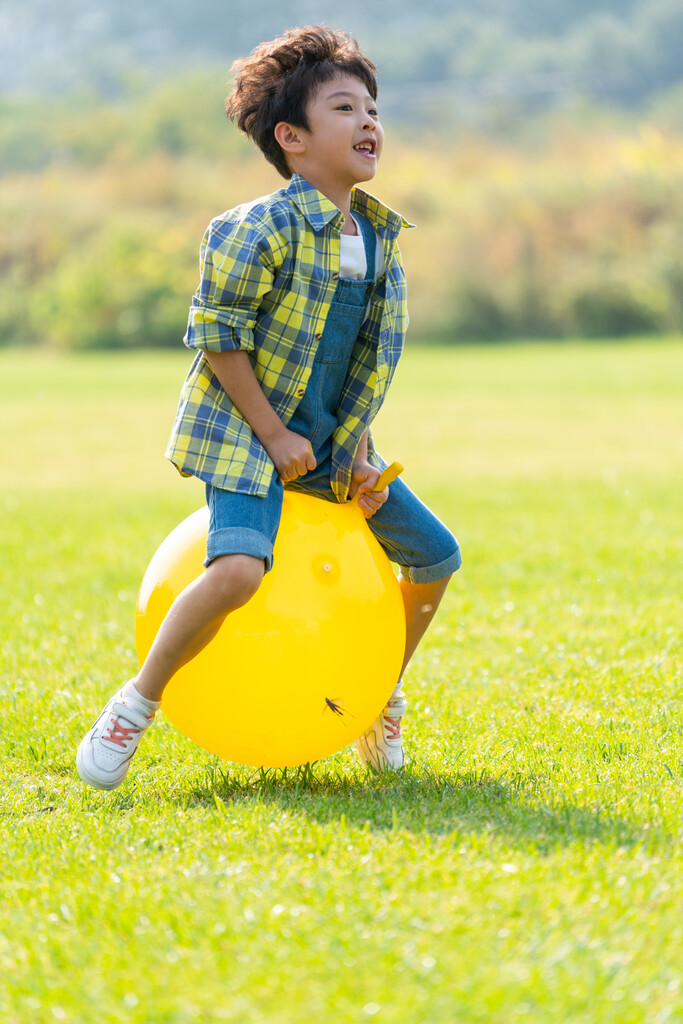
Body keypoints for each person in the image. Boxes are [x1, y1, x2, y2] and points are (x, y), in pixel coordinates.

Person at [77, 25, 461, 791]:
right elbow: (218, 339)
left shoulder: (379, 240)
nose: (369, 122)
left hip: (329, 441)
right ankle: (136, 703)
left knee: (434, 555)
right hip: (248, 436)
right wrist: (274, 432)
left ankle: (378, 693)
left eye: (372, 108)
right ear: (291, 137)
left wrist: (359, 454)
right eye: (345, 107)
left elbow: (359, 365)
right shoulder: (254, 228)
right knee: (239, 573)